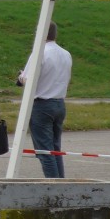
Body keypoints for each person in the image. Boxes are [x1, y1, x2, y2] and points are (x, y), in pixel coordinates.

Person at [18, 21, 73, 178]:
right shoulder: (66, 54)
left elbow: (28, 80)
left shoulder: (39, 53)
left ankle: (53, 184)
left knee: (44, 151)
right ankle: (60, 183)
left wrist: (21, 78)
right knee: (55, 150)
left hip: (42, 104)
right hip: (59, 102)